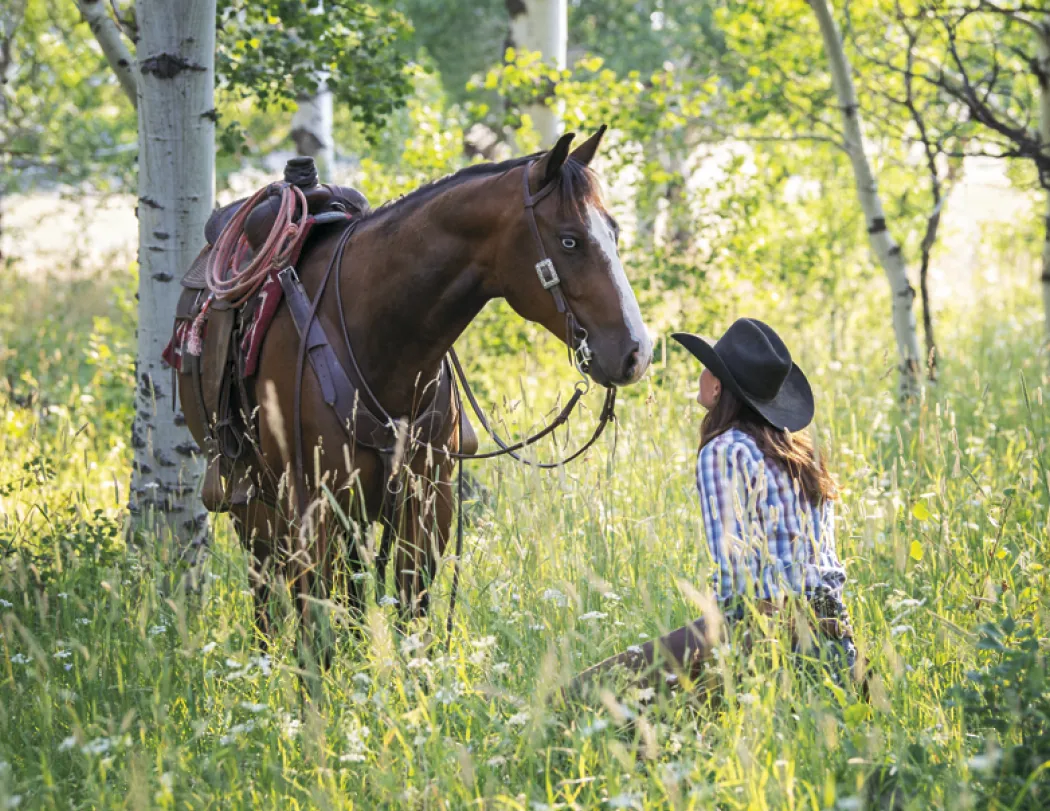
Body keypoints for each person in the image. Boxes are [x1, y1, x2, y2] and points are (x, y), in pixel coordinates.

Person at [569, 318, 857, 698]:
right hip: (836, 646)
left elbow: (737, 588)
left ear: (718, 386)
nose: (702, 373)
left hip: (772, 642)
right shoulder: (802, 454)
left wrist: (709, 663)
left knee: (592, 692)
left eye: (709, 367)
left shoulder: (724, 452)